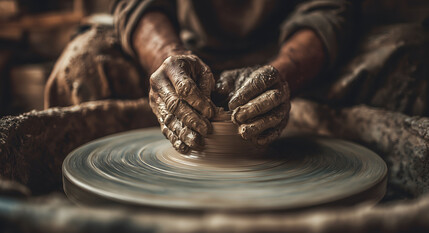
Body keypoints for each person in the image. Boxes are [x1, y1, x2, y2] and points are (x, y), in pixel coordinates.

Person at [45, 0, 390, 154]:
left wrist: (285, 75)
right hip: (183, 48)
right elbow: (137, 4)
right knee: (79, 69)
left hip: (294, 53)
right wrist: (168, 55)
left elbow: (331, 9)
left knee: (406, 60)